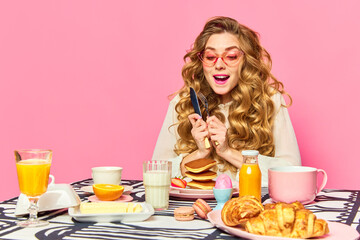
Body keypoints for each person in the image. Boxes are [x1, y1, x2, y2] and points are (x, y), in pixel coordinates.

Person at [152, 16, 301, 186]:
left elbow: (292, 174)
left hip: (250, 207)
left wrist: (227, 151)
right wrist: (200, 154)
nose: (219, 64)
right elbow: (156, 173)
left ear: (245, 61)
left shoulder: (270, 101)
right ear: (201, 62)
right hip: (193, 207)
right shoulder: (183, 103)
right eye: (210, 57)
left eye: (230, 56)